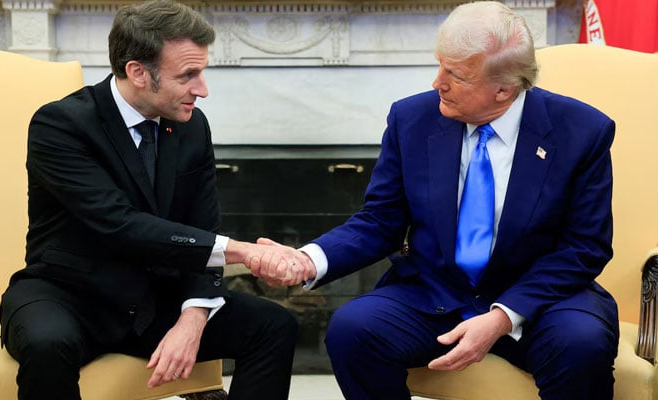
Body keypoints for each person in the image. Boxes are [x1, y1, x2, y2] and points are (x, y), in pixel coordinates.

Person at [251, 2, 620, 399]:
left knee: (582, 345)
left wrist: (501, 316)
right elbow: (380, 220)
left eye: (455, 74)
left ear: (504, 88)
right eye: (440, 65)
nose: (436, 83)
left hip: (540, 299)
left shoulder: (582, 131)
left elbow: (584, 247)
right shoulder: (413, 119)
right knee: (352, 329)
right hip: (436, 293)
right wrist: (309, 259)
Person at [0, 1, 302, 399]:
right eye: (188, 75)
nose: (202, 89)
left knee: (273, 325)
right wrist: (240, 251)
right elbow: (118, 223)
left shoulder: (191, 125)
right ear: (138, 72)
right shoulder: (61, 124)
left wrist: (192, 319)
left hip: (155, 300)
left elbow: (201, 229)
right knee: (46, 345)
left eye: (202, 72)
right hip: (68, 294)